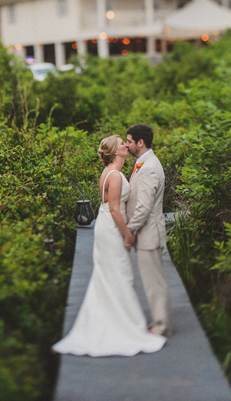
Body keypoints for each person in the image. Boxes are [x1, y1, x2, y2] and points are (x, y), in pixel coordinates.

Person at [52, 135, 166, 357]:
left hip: (108, 225)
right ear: (115, 152)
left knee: (111, 274)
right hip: (113, 227)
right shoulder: (114, 175)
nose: (126, 145)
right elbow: (114, 209)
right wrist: (128, 234)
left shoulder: (112, 173)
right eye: (122, 143)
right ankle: (120, 326)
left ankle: (115, 319)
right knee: (118, 273)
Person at [125, 124, 172, 337]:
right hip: (148, 233)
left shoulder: (149, 167)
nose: (127, 144)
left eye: (129, 141)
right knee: (154, 281)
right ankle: (159, 321)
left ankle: (162, 325)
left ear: (140, 142)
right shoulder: (144, 163)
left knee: (154, 283)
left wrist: (130, 230)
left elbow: (143, 207)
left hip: (148, 234)